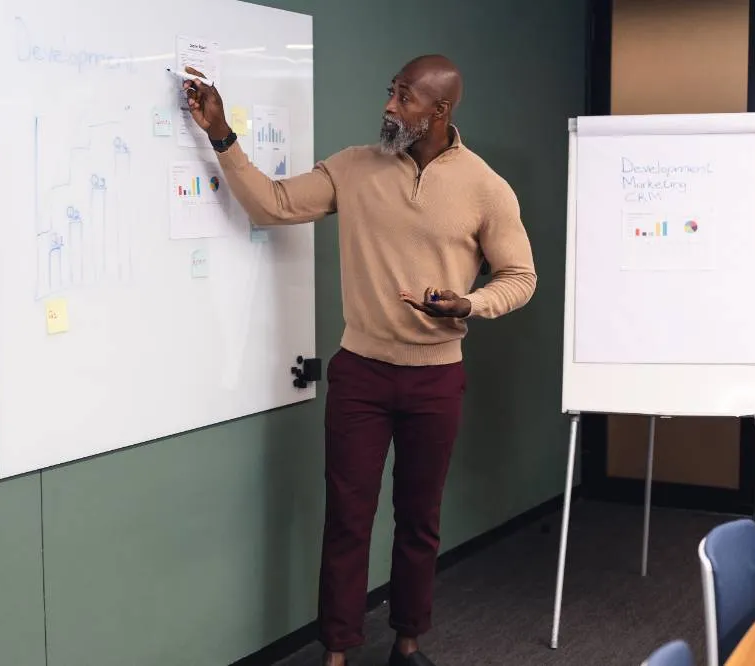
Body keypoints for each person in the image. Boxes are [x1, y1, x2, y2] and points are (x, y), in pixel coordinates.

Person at [183, 55, 536, 666]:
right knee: (347, 519)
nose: (390, 107)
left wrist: (469, 305)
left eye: (405, 98)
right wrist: (222, 135)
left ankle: (407, 641)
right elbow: (271, 204)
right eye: (390, 91)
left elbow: (520, 276)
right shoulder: (353, 167)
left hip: (436, 378)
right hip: (361, 376)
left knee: (420, 521)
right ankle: (338, 650)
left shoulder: (485, 186)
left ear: (441, 111)